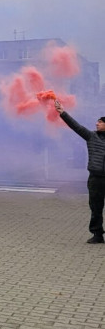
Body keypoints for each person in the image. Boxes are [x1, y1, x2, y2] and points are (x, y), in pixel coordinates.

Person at [55, 101, 105, 244]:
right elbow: (76, 127)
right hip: (95, 178)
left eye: (100, 122)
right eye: (97, 122)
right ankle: (97, 234)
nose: (97, 124)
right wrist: (62, 113)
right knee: (96, 207)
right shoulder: (91, 136)